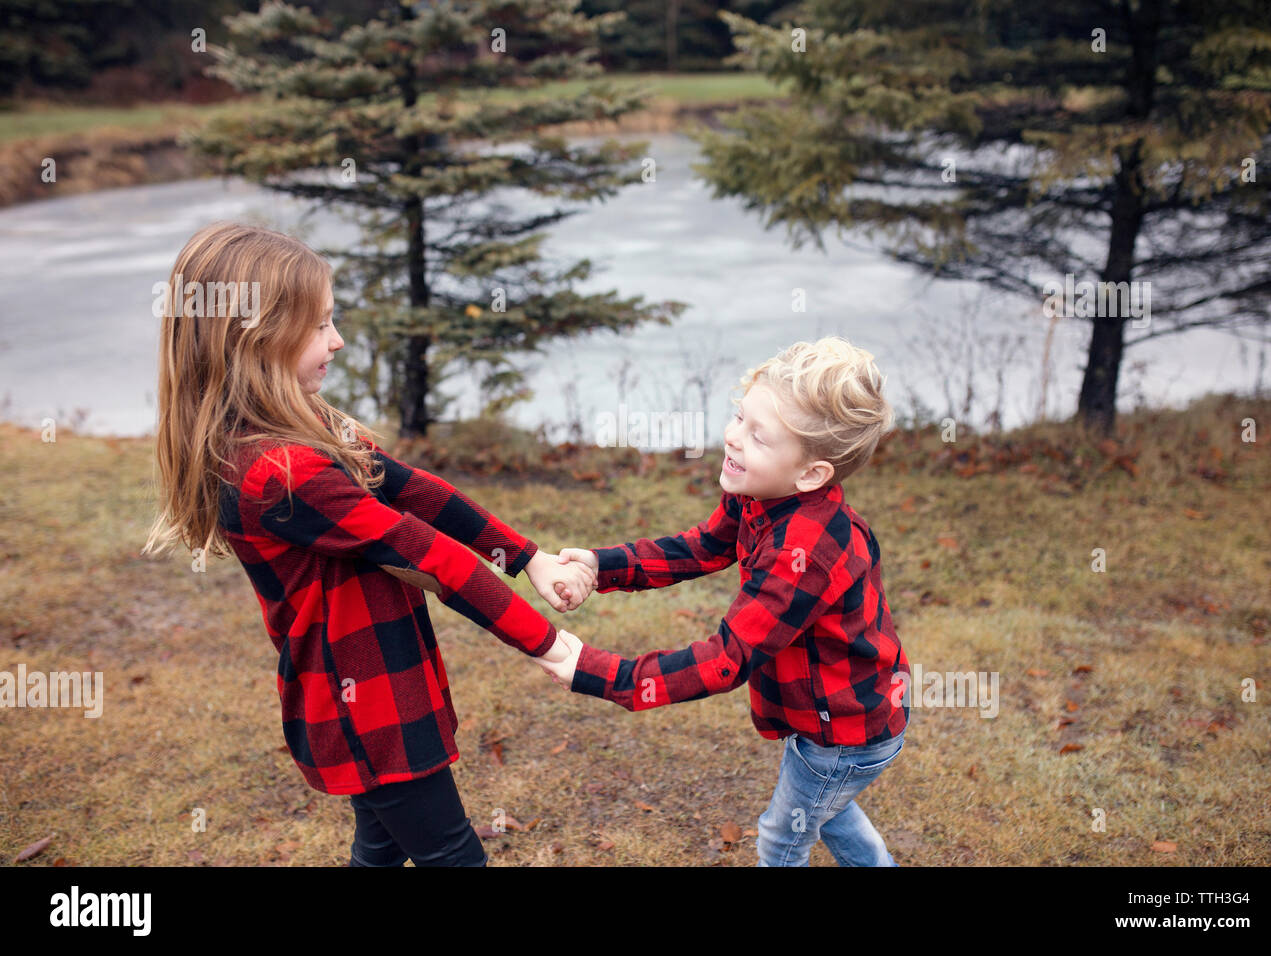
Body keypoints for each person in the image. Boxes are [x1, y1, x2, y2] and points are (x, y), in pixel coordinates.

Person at [142, 220, 593, 866]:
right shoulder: (279, 473)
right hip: (365, 704)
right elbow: (426, 555)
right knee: (452, 855)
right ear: (258, 335)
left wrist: (527, 557)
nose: (338, 340)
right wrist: (550, 646)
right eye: (320, 325)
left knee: (380, 846)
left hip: (378, 677)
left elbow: (413, 490)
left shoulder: (297, 421)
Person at [541, 337, 910, 866]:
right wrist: (603, 566)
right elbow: (705, 546)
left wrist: (600, 673)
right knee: (825, 808)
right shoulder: (759, 493)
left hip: (846, 729)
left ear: (811, 473)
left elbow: (726, 659)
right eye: (740, 417)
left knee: (784, 836)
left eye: (758, 437)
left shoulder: (803, 552)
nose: (733, 439)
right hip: (827, 720)